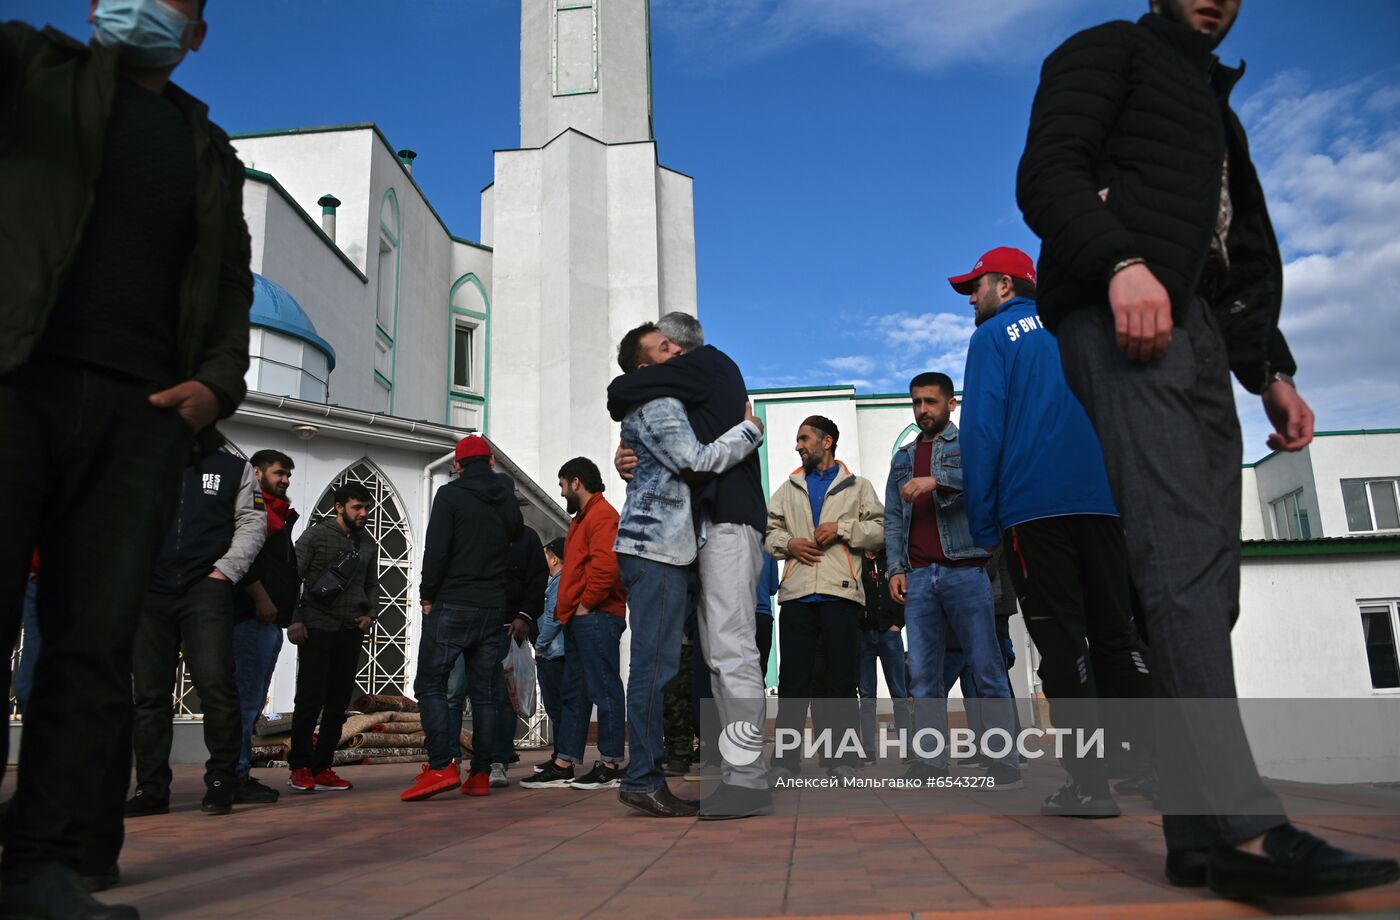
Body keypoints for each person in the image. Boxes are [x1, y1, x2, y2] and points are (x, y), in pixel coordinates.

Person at [1017, 0, 1399, 896]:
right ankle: (1245, 829)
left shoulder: (1215, 110)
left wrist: (1269, 368)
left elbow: (1243, 249)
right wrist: (1119, 263)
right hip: (1123, 317)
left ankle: (1196, 833)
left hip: (1198, 330)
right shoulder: (1107, 51)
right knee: (1182, 560)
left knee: (1207, 579)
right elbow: (1047, 175)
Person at [0, 1, 252, 914]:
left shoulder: (209, 154)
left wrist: (216, 388)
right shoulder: (32, 72)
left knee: (94, 647)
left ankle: (43, 868)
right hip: (17, 381)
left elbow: (229, 285)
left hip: (141, 416)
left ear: (195, 33)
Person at [953, 246, 1153, 818]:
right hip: (1102, 502)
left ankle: (1090, 787)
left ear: (1007, 287)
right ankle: (1155, 768)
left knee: (1063, 643)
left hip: (1034, 510)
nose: (972, 297)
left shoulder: (991, 340)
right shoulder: (1081, 330)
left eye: (977, 285)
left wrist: (985, 520)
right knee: (1117, 635)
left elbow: (982, 432)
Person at [608, 312, 772, 820]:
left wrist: (750, 431)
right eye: (661, 350)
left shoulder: (707, 363)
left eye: (668, 347)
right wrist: (627, 452)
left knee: (731, 650)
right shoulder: (687, 387)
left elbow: (620, 391)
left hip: (728, 523)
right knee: (718, 654)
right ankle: (737, 772)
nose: (670, 356)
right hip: (704, 529)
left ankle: (746, 779)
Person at [883, 373, 1021, 789]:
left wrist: (938, 481)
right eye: (916, 403)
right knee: (924, 674)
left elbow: (990, 489)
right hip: (920, 577)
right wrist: (896, 568)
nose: (922, 410)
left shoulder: (970, 448)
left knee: (986, 667)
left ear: (951, 404)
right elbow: (892, 519)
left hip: (966, 569)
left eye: (931, 402)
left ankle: (1002, 760)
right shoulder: (903, 457)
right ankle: (931, 761)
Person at [129, 450, 265, 820]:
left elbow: (252, 520)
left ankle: (222, 781)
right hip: (149, 591)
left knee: (216, 684)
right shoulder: (140, 458)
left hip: (205, 589)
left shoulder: (231, 467)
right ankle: (151, 787)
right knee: (149, 694)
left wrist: (225, 572)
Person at [402, 436, 522, 801]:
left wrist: (427, 594)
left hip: (454, 601)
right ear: (490, 463)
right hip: (491, 607)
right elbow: (515, 539)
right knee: (485, 693)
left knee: (431, 683)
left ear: (457, 465)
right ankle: (481, 773)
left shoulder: (450, 496)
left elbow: (437, 549)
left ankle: (441, 765)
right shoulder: (505, 500)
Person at [765, 416, 884, 780]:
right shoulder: (789, 487)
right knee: (792, 683)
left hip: (841, 595)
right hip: (798, 596)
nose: (798, 445)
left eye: (804, 438)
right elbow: (769, 533)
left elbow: (880, 532)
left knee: (841, 681)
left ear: (827, 441)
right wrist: (790, 543)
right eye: (797, 439)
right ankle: (786, 763)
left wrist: (843, 529)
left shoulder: (858, 486)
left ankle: (842, 760)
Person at [521, 458, 629, 791]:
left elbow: (606, 566)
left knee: (604, 689)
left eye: (563, 485)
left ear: (577, 482)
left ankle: (610, 763)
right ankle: (565, 762)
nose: (562, 491)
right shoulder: (585, 518)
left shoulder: (602, 516)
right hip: (581, 619)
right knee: (575, 694)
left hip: (596, 616)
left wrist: (585, 604)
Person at [287, 482, 379, 795]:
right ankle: (299, 765)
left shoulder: (367, 543)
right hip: (316, 626)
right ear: (339, 507)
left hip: (350, 629)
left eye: (366, 507)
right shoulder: (315, 535)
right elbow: (292, 577)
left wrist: (371, 614)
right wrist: (295, 619)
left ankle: (323, 766)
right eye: (357, 507)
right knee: (310, 697)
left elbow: (372, 585)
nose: (363, 513)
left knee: (338, 702)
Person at [446, 514, 545, 788]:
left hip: (504, 629)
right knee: (454, 692)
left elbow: (537, 581)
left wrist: (524, 616)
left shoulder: (526, 538)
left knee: (500, 697)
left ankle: (497, 761)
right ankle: (449, 760)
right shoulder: (472, 530)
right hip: (464, 627)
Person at [231, 449, 301, 805]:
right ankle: (234, 774)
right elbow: (243, 561)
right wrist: (261, 599)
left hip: (268, 622)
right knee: (244, 699)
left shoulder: (277, 516)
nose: (285, 480)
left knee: (252, 699)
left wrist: (289, 617)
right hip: (249, 618)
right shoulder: (253, 514)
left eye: (288, 474)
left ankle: (236, 771)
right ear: (256, 474)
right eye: (279, 473)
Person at [857, 549, 909, 760]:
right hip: (863, 635)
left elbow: (905, 590)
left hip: (890, 632)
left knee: (899, 693)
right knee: (867, 695)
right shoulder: (858, 561)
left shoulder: (893, 560)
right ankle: (869, 750)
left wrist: (898, 623)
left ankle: (908, 749)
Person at [534, 538, 567, 739]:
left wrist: (540, 645)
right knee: (557, 707)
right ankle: (560, 756)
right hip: (557, 651)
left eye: (545, 556)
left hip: (553, 653)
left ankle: (561, 757)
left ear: (554, 559)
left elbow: (554, 617)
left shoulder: (558, 583)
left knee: (556, 706)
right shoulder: (557, 583)